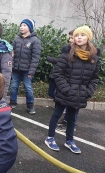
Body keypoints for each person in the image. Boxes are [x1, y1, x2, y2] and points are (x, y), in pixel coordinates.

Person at [44, 25, 100, 154]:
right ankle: (50, 138)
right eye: (76, 35)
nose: (79, 37)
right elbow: (58, 74)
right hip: (65, 93)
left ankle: (69, 140)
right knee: (56, 114)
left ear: (89, 38)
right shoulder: (67, 55)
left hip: (80, 95)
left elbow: (95, 78)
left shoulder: (94, 59)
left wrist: (88, 92)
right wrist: (67, 90)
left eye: (82, 35)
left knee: (72, 118)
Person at [9, 19, 42, 114]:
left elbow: (36, 58)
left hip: (27, 70)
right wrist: (11, 65)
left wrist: (31, 71)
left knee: (28, 87)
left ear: (30, 28)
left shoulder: (35, 41)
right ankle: (12, 102)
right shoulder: (16, 39)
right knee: (14, 86)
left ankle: (30, 106)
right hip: (16, 69)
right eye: (21, 25)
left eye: (24, 25)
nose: (21, 27)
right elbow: (12, 53)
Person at [47, 29, 76, 132]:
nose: (71, 40)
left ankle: (67, 124)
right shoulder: (67, 50)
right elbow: (61, 64)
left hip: (73, 88)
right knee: (57, 102)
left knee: (71, 108)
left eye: (72, 37)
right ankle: (52, 135)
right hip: (64, 86)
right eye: (70, 37)